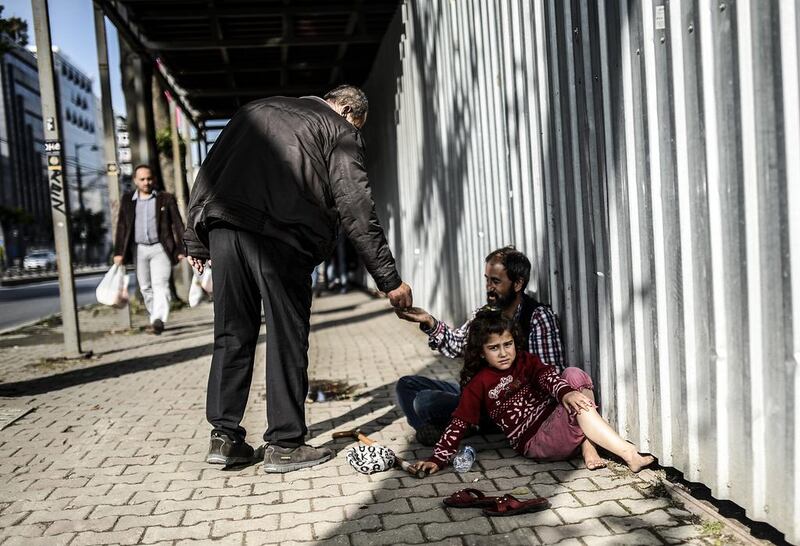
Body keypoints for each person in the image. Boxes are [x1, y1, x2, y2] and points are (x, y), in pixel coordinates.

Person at [183, 85, 413, 472]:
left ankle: (224, 438)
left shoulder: (252, 109)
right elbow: (356, 207)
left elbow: (209, 170)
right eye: (357, 123)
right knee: (286, 337)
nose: (355, 130)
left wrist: (195, 239)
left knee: (231, 334)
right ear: (347, 110)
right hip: (283, 237)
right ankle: (285, 444)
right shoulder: (338, 128)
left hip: (225, 227)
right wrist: (389, 279)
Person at [412, 310, 655, 474]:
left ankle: (587, 445)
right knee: (574, 398)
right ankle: (628, 453)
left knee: (573, 373)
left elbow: (548, 377)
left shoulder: (525, 361)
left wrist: (564, 394)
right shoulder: (479, 384)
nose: (504, 353)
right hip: (537, 440)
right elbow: (458, 423)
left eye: (508, 344)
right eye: (494, 348)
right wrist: (436, 459)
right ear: (480, 352)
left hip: (556, 419)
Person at [394, 247, 564, 445]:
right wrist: (429, 321)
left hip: (500, 403)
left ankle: (464, 426)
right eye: (487, 279)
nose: (488, 287)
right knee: (406, 385)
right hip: (475, 392)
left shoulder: (538, 317)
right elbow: (457, 345)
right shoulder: (484, 314)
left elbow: (549, 375)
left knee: (425, 402)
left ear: (517, 284)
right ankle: (430, 430)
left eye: (496, 281)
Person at [113, 164, 185, 335]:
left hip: (161, 248)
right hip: (139, 249)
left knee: (161, 284)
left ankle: (158, 320)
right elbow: (122, 226)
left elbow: (178, 224)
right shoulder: (127, 200)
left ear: (154, 179)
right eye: (142, 179)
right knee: (145, 286)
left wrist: (182, 248)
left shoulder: (165, 198)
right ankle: (155, 316)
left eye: (149, 178)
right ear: (135, 181)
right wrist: (118, 252)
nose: (146, 182)